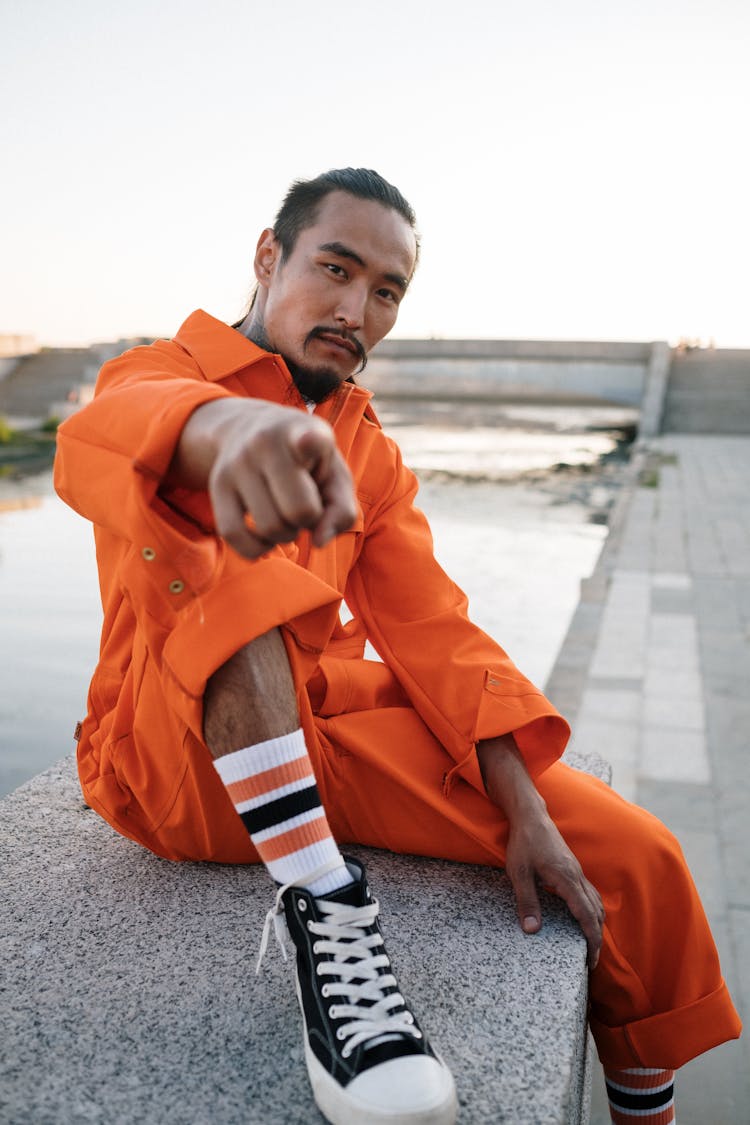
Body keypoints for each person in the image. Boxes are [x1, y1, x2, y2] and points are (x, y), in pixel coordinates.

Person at [54, 167, 741, 1125]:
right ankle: (325, 914)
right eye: (335, 268)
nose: (357, 308)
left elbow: (433, 631)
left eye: (385, 290)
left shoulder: (368, 451)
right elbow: (100, 436)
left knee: (633, 854)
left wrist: (518, 799)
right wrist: (223, 429)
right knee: (231, 549)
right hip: (171, 761)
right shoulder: (163, 375)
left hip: (319, 735)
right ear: (268, 257)